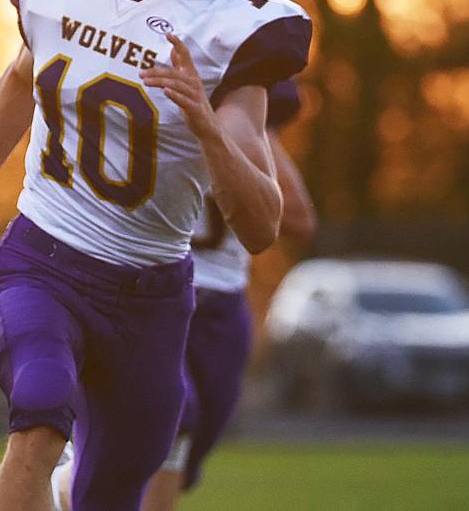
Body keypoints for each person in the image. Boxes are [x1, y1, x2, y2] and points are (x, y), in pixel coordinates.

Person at [0, 0, 312, 511]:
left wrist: (206, 124)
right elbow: (22, 77)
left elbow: (262, 225)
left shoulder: (233, 34)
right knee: (40, 416)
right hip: (44, 257)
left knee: (111, 490)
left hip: (152, 298)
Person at [51, 78, 317, 511]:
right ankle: (68, 484)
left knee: (181, 453)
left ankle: (69, 486)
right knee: (177, 420)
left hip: (221, 303)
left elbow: (300, 221)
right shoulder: (137, 95)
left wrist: (247, 144)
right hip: (145, 288)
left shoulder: (244, 106)